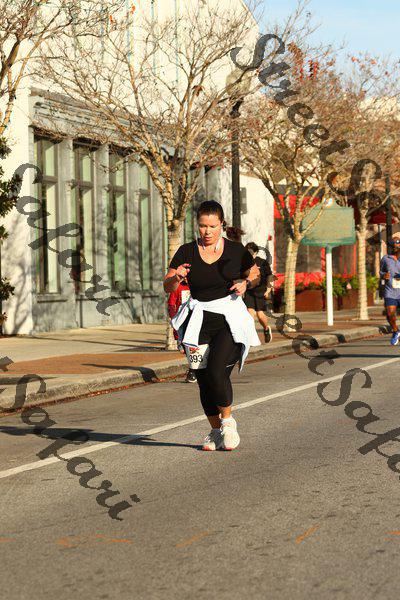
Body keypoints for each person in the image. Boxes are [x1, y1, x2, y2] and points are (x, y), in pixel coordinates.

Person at [163, 200, 261, 451]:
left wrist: (245, 284)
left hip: (228, 319)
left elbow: (255, 274)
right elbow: (167, 285)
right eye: (202, 226)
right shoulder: (186, 251)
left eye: (212, 226)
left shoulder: (235, 250)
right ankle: (215, 431)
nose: (207, 231)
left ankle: (228, 422)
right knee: (203, 378)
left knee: (217, 370)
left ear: (222, 225)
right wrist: (177, 278)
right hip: (198, 320)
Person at [168, 278, 196, 383]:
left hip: (197, 320)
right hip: (183, 322)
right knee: (186, 347)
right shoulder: (179, 287)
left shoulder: (200, 285)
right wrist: (175, 321)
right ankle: (193, 370)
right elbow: (171, 305)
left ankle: (193, 371)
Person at [244, 242, 273, 343]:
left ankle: (266, 328)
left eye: (251, 253)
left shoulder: (262, 262)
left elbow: (270, 276)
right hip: (249, 291)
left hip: (261, 291)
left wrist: (268, 289)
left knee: (260, 315)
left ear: (256, 252)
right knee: (250, 313)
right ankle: (250, 336)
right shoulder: (244, 263)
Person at [380, 232, 400, 345]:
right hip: (390, 291)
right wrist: (384, 275)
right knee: (390, 314)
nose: (395, 247)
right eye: (393, 245)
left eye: (397, 245)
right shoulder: (385, 259)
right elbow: (381, 272)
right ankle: (396, 331)